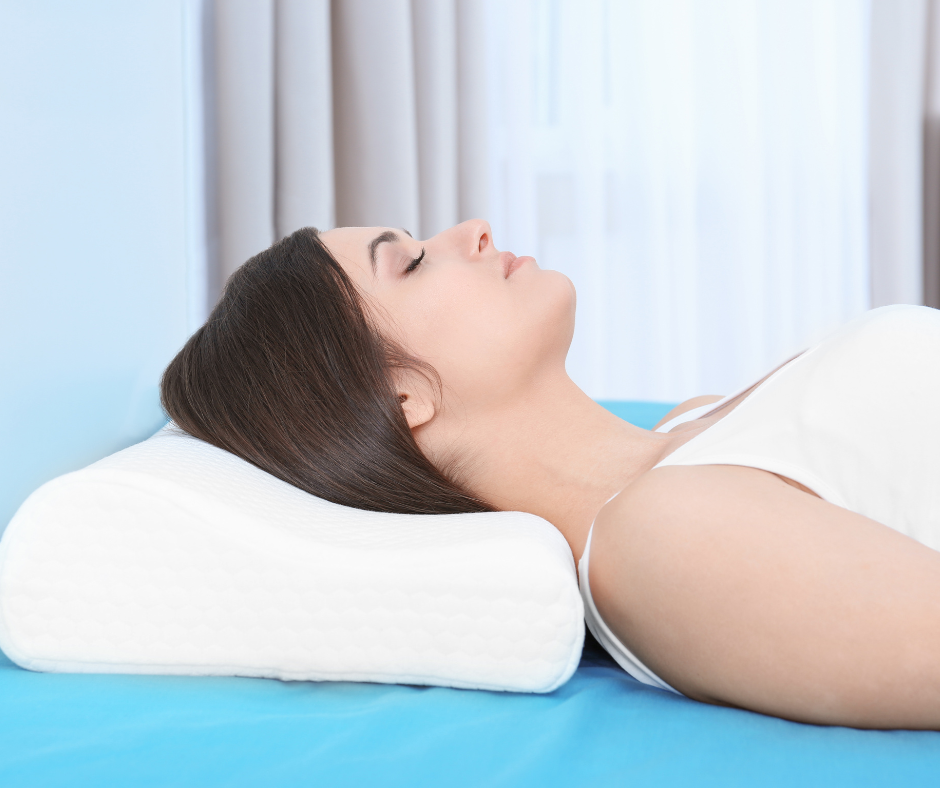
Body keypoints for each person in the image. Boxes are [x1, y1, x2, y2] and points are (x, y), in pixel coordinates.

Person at [161, 221, 940, 730]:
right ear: (401, 398)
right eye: (413, 261)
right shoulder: (659, 541)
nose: (471, 230)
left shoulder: (696, 424)